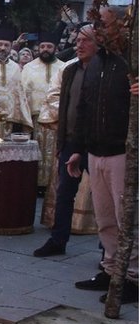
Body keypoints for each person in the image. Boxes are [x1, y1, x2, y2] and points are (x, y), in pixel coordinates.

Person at [68, 23, 137, 303]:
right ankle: (110, 271)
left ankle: (132, 277)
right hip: (96, 152)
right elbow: (84, 108)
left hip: (123, 152)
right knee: (105, 218)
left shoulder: (130, 62)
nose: (102, 33)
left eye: (106, 26)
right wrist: (77, 149)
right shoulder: (95, 64)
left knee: (127, 219)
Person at [34, 26, 97, 257]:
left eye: (86, 41)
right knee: (64, 194)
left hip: (95, 144)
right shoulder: (70, 70)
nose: (79, 45)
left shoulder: (105, 70)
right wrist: (62, 142)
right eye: (77, 40)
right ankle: (58, 240)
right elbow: (62, 104)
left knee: (102, 197)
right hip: (70, 140)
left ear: (98, 43)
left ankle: (106, 253)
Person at [20, 31, 63, 191]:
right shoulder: (29, 68)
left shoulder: (63, 67)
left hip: (55, 119)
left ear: (55, 48)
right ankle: (34, 183)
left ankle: (51, 185)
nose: (45, 49)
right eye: (43, 46)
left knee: (53, 153)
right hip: (34, 118)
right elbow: (22, 94)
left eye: (49, 47)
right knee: (36, 152)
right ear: (38, 48)